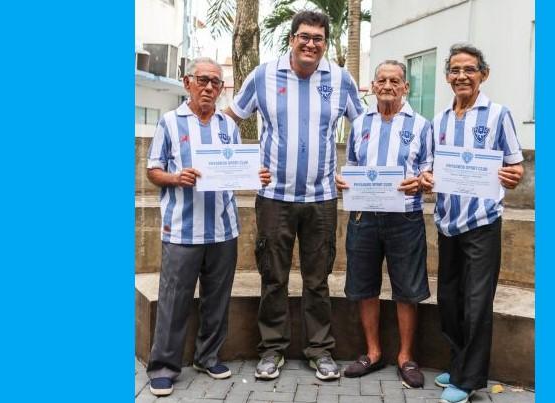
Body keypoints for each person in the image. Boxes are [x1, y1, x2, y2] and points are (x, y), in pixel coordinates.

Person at [224, 10, 363, 380]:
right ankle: (272, 350)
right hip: (274, 198)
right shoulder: (264, 75)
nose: (311, 44)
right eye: (304, 36)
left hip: (321, 199)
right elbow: (229, 121)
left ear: (325, 43)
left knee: (318, 280)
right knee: (274, 277)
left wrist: (356, 173)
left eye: (318, 38)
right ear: (291, 39)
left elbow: (364, 129)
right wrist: (239, 166)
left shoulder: (340, 79)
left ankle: (320, 350)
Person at [145, 57, 271, 396]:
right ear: (187, 83)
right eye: (203, 80)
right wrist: (175, 177)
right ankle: (164, 367)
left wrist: (252, 176)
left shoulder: (228, 127)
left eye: (216, 82)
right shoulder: (170, 123)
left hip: (222, 228)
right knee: (174, 299)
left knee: (217, 298)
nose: (210, 87)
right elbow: (153, 170)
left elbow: (233, 170)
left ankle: (207, 356)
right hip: (182, 230)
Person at [419, 44, 524, 403]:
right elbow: (427, 167)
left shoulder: (498, 115)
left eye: (469, 69)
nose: (461, 76)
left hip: (482, 222)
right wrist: (426, 177)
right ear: (447, 76)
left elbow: (516, 167)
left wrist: (512, 176)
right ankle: (460, 362)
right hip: (448, 222)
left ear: (483, 74)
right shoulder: (441, 121)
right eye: (455, 70)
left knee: (477, 302)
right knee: (450, 300)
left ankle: (468, 380)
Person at [335, 60, 432, 388]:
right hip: (363, 217)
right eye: (381, 80)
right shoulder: (360, 123)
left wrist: (420, 180)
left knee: (406, 289)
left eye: (395, 80)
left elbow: (428, 169)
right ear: (373, 86)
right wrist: (343, 181)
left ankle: (406, 357)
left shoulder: (421, 125)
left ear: (406, 87)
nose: (387, 85)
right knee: (365, 287)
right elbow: (351, 164)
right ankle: (373, 352)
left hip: (405, 218)